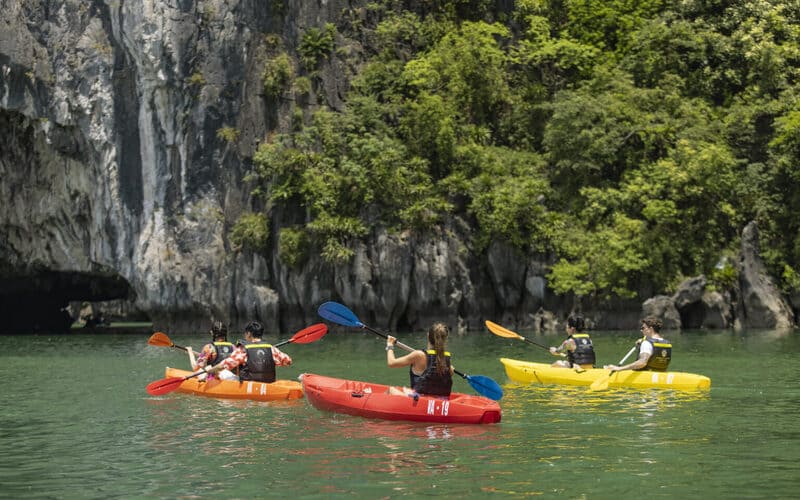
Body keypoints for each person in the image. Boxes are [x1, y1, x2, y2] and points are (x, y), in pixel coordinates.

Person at [203, 321, 292, 382]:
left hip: (248, 384)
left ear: (249, 334)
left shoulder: (243, 350)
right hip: (269, 382)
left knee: (222, 371)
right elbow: (288, 361)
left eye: (245, 333)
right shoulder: (271, 349)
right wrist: (266, 361)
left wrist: (210, 371)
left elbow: (224, 365)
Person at [385, 322, 454, 397]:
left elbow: (391, 363)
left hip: (420, 400)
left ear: (428, 336)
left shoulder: (418, 355)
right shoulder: (446, 360)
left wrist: (390, 345)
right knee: (408, 390)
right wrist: (450, 371)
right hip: (442, 400)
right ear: (445, 339)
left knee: (390, 390)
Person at [604, 316, 672, 373]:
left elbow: (642, 363)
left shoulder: (647, 343)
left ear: (650, 329)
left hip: (645, 376)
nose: (641, 330)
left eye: (643, 328)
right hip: (661, 374)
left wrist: (619, 369)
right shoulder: (667, 343)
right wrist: (643, 341)